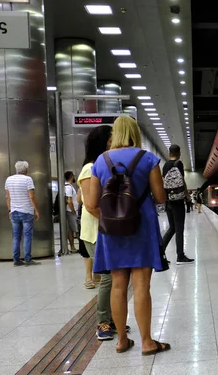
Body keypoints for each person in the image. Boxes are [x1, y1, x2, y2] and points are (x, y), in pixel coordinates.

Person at [85, 116, 171, 355]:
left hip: (112, 231)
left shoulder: (101, 161)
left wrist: (115, 214)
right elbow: (161, 198)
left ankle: (122, 340)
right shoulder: (148, 159)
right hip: (141, 227)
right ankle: (146, 342)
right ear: (135, 133)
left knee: (117, 286)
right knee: (142, 285)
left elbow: (91, 202)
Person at [78, 125, 127, 339]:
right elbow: (90, 205)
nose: (114, 142)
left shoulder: (98, 165)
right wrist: (115, 222)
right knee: (108, 277)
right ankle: (103, 323)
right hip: (96, 231)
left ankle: (113, 320)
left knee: (114, 276)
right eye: (111, 139)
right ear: (103, 142)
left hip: (103, 230)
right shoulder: (90, 168)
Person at [161, 145, 195, 264]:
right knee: (179, 228)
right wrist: (187, 196)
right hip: (178, 201)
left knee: (172, 228)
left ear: (169, 153)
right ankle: (180, 256)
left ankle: (160, 252)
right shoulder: (179, 164)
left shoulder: (165, 165)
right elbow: (182, 181)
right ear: (179, 153)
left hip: (168, 200)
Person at [5, 161, 41, 266]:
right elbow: (31, 196)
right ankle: (28, 259)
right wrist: (36, 210)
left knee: (16, 236)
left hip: (14, 212)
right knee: (27, 236)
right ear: (26, 170)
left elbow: (7, 197)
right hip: (26, 211)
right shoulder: (27, 179)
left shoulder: (9, 179)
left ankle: (16, 259)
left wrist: (9, 210)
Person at [64, 171, 79, 253]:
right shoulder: (68, 187)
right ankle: (82, 247)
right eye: (74, 176)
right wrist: (73, 211)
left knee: (70, 230)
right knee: (77, 229)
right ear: (71, 177)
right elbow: (69, 201)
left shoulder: (67, 186)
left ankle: (72, 247)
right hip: (71, 211)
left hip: (69, 211)